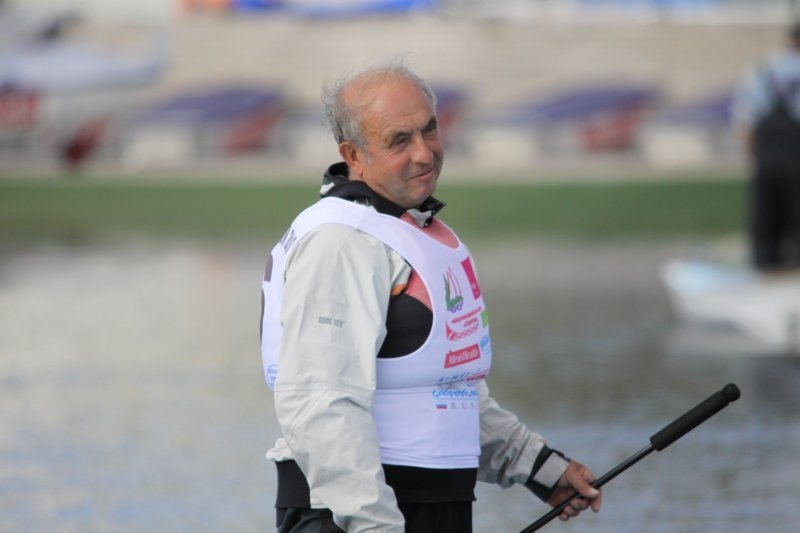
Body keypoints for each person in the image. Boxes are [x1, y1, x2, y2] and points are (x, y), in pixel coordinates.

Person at [260, 62, 602, 532]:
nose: (424, 153)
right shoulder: (340, 241)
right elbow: (319, 404)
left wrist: (542, 469)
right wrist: (376, 526)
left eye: (430, 130)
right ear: (353, 155)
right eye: (399, 140)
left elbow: (451, 392)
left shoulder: (414, 232)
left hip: (435, 505)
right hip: (353, 517)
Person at [732, 21, 800, 271]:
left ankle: (764, 269)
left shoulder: (764, 69)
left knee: (766, 221)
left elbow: (745, 122)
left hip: (768, 158)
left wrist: (756, 156)